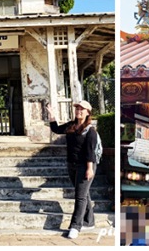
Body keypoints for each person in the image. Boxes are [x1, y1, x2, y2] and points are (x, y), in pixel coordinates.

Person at [47, 99, 99, 239]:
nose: (78, 111)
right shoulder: (71, 126)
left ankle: (75, 226)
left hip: (86, 165)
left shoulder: (90, 131)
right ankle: (90, 221)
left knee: (80, 197)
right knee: (83, 194)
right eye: (77, 108)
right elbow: (56, 129)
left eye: (82, 109)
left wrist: (89, 169)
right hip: (72, 164)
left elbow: (90, 152)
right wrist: (52, 115)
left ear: (88, 112)